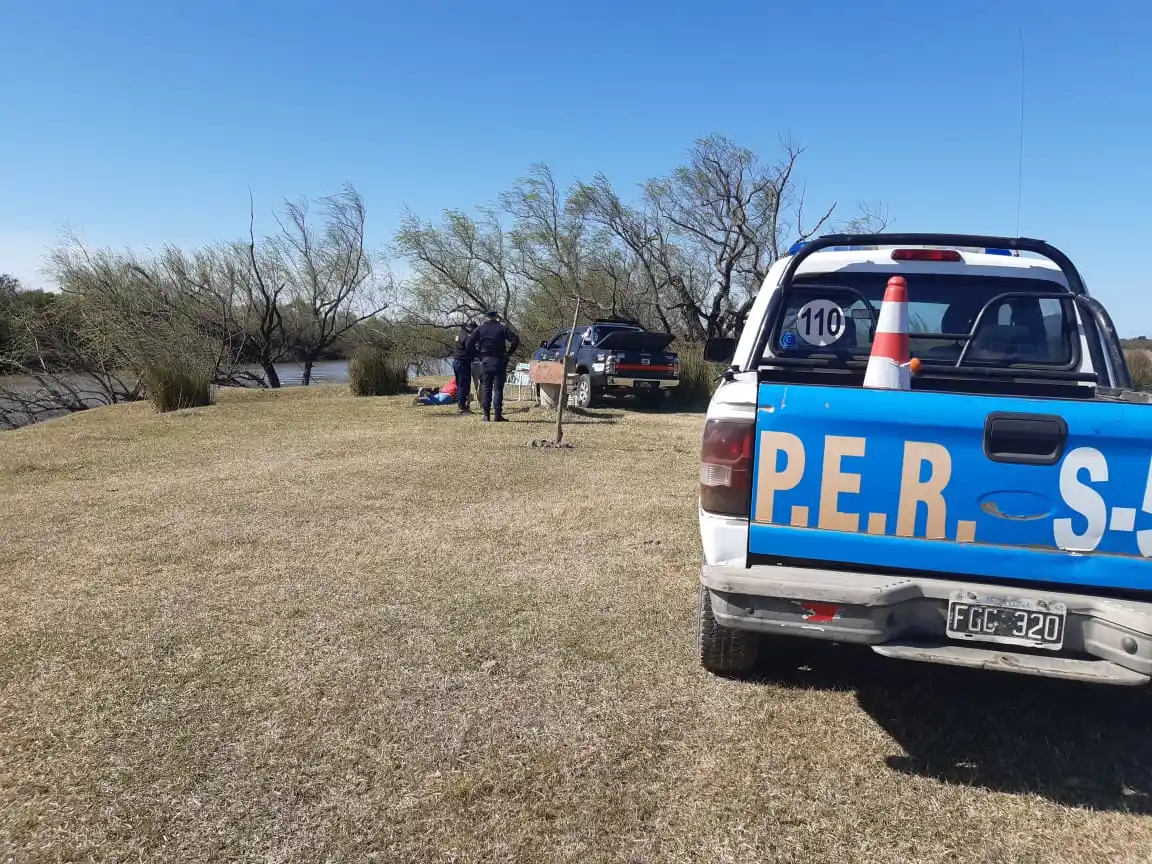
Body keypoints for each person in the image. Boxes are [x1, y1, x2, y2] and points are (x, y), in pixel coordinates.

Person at [464, 310, 520, 422]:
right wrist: (509, 353)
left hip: (485, 360)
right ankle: (498, 415)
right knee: (498, 389)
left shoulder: (479, 329)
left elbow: (468, 343)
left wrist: (478, 355)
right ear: (496, 317)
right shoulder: (502, 328)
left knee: (487, 388)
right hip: (499, 360)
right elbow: (515, 340)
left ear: (486, 317)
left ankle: (486, 415)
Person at [452, 321, 476, 414]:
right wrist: (476, 353)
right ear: (470, 328)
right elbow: (468, 344)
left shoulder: (461, 333)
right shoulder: (465, 335)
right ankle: (462, 408)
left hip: (458, 361)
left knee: (460, 385)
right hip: (462, 362)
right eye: (474, 329)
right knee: (463, 385)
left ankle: (462, 406)